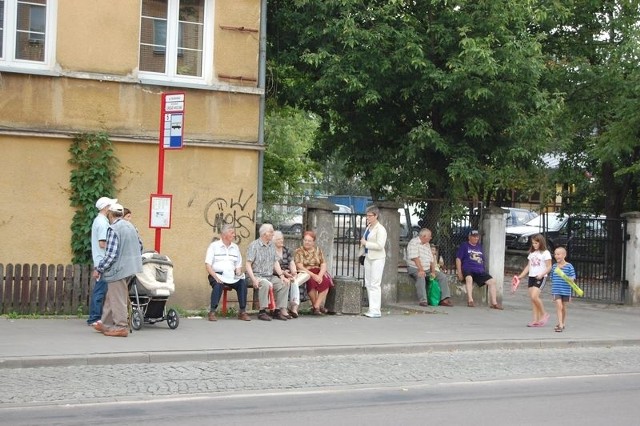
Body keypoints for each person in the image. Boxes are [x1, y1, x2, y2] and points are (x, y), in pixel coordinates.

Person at [92, 203, 143, 337]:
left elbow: (111, 255)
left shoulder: (114, 229)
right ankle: (106, 324)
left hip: (118, 269)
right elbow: (140, 246)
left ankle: (120, 326)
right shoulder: (131, 226)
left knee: (117, 297)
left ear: (110, 214)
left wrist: (99, 268)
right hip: (131, 268)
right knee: (112, 296)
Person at [205, 224, 251, 322]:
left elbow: (238, 264)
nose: (234, 235)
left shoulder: (235, 247)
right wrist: (215, 276)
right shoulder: (214, 246)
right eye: (232, 233)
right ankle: (212, 311)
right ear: (225, 234)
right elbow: (208, 265)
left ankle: (242, 311)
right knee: (218, 284)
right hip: (217, 274)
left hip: (231, 275)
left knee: (242, 283)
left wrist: (238, 272)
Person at [245, 224, 290, 321]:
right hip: (256, 275)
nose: (273, 234)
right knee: (264, 284)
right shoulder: (254, 246)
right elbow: (248, 264)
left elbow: (275, 262)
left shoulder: (271, 246)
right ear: (265, 233)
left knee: (284, 283)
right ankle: (262, 311)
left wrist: (282, 275)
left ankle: (277, 310)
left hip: (269, 276)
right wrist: (253, 279)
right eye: (271, 232)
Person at [86, 196, 117, 326]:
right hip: (103, 260)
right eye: (110, 206)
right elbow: (102, 243)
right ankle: (94, 318)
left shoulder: (98, 220)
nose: (111, 209)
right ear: (106, 208)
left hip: (100, 260)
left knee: (100, 289)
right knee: (100, 290)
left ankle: (95, 317)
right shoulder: (103, 223)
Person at [455, 230, 502, 309]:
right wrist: (459, 272)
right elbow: (458, 259)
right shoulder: (464, 245)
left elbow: (482, 259)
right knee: (469, 278)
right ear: (469, 237)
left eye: (477, 236)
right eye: (474, 236)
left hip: (479, 270)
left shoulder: (479, 246)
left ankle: (494, 303)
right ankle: (470, 300)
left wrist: (482, 268)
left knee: (492, 281)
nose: (476, 238)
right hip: (468, 268)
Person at [405, 228, 452, 307]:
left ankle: (444, 299)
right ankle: (423, 300)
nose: (431, 238)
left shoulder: (427, 245)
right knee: (421, 276)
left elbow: (432, 260)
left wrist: (433, 272)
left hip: (427, 269)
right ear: (424, 236)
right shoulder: (413, 243)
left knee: (442, 276)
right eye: (429, 236)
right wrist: (421, 270)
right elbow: (415, 258)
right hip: (415, 267)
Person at [513, 234, 552, 327]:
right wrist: (520, 276)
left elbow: (549, 266)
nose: (534, 245)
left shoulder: (545, 253)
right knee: (533, 299)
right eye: (533, 243)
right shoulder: (532, 253)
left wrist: (542, 274)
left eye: (536, 243)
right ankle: (535, 320)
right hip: (531, 277)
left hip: (540, 277)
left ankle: (544, 314)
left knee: (535, 296)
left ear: (541, 242)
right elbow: (528, 266)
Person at [294, 231, 333, 315]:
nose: (307, 242)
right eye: (305, 240)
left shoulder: (318, 250)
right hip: (306, 272)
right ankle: (317, 307)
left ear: (313, 242)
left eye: (309, 241)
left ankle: (316, 306)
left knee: (326, 281)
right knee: (311, 282)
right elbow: (299, 266)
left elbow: (323, 263)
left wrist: (320, 275)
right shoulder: (299, 251)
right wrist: (313, 275)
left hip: (318, 271)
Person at [358, 205, 387, 318]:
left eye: (370, 216)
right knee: (369, 283)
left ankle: (376, 310)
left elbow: (380, 245)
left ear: (376, 216)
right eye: (367, 215)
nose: (367, 218)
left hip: (377, 258)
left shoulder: (381, 229)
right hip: (368, 256)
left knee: (375, 283)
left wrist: (366, 243)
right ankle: (371, 308)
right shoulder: (369, 227)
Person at [274, 230, 309, 318]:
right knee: (287, 282)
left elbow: (291, 262)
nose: (281, 241)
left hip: (288, 272)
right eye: (278, 239)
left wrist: (293, 272)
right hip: (278, 273)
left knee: (298, 282)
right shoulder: (271, 251)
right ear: (273, 240)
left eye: (282, 239)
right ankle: (283, 309)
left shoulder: (286, 250)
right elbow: (273, 267)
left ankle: (294, 308)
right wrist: (283, 273)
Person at [549, 246, 576, 332]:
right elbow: (552, 277)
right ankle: (560, 324)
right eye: (555, 254)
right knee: (559, 305)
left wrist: (570, 279)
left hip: (565, 290)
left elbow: (573, 277)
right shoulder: (554, 267)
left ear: (564, 255)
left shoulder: (569, 266)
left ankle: (562, 323)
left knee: (563, 307)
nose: (556, 256)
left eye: (558, 254)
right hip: (556, 290)